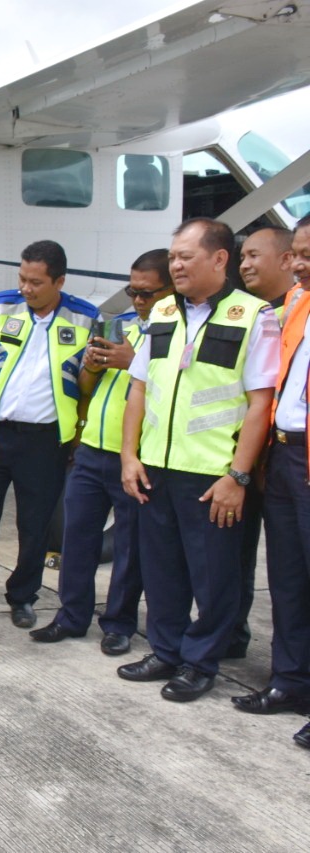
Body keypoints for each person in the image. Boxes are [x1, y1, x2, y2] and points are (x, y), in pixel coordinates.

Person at [119, 217, 278, 703]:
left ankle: (200, 661)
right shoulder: (164, 309)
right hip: (156, 468)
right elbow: (140, 387)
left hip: (212, 475)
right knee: (162, 569)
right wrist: (129, 455)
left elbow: (260, 402)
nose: (176, 265)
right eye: (173, 257)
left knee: (214, 577)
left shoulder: (254, 316)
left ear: (220, 259)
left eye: (186, 256)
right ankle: (165, 650)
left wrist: (238, 475)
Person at [30, 249, 173, 654]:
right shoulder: (120, 324)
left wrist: (133, 362)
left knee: (129, 546)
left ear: (171, 289)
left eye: (147, 294)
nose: (138, 301)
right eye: (133, 291)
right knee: (77, 538)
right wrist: (93, 365)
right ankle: (71, 616)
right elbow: (88, 388)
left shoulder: (173, 331)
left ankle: (118, 622)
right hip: (93, 447)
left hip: (137, 455)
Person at [0, 240, 99, 630]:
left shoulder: (85, 317)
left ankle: (23, 596)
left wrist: (79, 435)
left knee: (35, 525)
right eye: (22, 278)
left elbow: (88, 382)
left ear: (60, 281)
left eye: (36, 282)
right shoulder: (1, 306)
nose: (27, 288)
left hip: (46, 440)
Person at [233, 214, 310, 743]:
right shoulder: (297, 304)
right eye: (297, 253)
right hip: (285, 458)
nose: (298, 263)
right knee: (287, 579)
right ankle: (290, 680)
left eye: (306, 254)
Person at [229, 226, 295, 659]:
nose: (245, 264)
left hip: (286, 458)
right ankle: (231, 636)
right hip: (245, 456)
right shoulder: (250, 312)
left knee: (291, 570)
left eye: (254, 255)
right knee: (236, 557)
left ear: (287, 259)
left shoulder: (294, 312)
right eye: (242, 257)